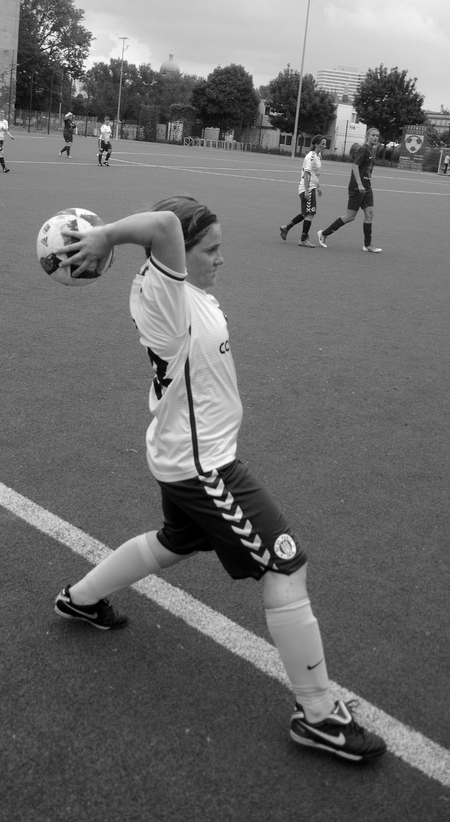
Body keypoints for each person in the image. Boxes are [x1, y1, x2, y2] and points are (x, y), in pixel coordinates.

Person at [52, 196, 386, 764]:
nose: (220, 259)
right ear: (178, 253)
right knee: (286, 564)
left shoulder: (180, 291)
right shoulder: (163, 290)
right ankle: (319, 715)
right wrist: (107, 235)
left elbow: (166, 236)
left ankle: (81, 599)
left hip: (184, 450)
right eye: (210, 250)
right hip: (202, 465)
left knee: (176, 541)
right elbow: (159, 225)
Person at [317, 128, 382, 253]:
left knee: (370, 214)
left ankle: (367, 245)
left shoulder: (372, 150)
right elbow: (355, 166)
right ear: (367, 136)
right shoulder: (363, 149)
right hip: (357, 188)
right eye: (373, 135)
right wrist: (359, 184)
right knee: (350, 217)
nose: (375, 137)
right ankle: (323, 234)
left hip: (367, 187)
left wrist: (366, 183)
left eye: (377, 136)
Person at [279, 135, 326, 247]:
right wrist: (306, 191)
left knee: (305, 213)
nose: (325, 146)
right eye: (322, 144)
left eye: (325, 144)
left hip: (311, 187)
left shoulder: (318, 156)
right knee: (310, 214)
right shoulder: (312, 156)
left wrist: (318, 187)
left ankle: (286, 228)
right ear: (316, 144)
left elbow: (314, 174)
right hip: (308, 188)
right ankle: (303, 239)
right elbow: (306, 173)